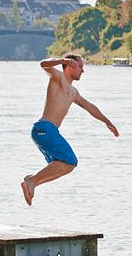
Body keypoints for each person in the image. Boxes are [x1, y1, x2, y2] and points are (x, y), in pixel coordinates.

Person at [21, 53, 119, 205]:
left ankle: (31, 181)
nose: (82, 70)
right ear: (70, 66)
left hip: (49, 131)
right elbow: (43, 64)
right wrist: (62, 60)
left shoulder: (73, 92)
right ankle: (32, 180)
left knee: (66, 166)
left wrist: (107, 122)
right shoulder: (58, 78)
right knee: (70, 160)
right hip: (44, 129)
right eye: (80, 66)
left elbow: (89, 107)